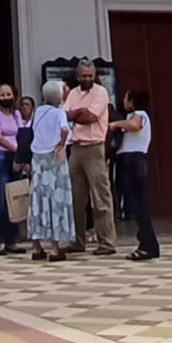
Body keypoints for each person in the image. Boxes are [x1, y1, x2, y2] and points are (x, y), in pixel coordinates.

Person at [63, 59, 117, 256]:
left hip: (94, 147)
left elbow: (91, 117)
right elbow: (65, 115)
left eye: (90, 76)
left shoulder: (100, 92)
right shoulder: (74, 93)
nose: (87, 79)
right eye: (84, 76)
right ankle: (77, 241)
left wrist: (75, 114)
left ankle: (107, 242)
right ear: (78, 76)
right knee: (75, 198)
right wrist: (78, 113)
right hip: (76, 148)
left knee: (101, 196)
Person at [26, 80, 74, 262]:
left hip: (37, 156)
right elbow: (64, 130)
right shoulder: (58, 112)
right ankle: (55, 248)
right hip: (55, 158)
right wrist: (61, 144)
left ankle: (37, 246)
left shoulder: (38, 111)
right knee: (56, 199)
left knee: (38, 199)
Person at [113, 87, 160, 261]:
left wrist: (116, 124)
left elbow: (134, 125)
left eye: (126, 98)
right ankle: (146, 242)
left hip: (134, 161)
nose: (124, 101)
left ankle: (149, 244)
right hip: (129, 161)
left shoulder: (139, 115)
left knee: (139, 204)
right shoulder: (132, 116)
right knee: (135, 205)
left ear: (132, 101)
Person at [0, 80, 23, 254]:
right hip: (1, 157)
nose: (6, 97)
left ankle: (11, 240)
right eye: (2, 95)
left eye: (9, 94)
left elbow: (22, 134)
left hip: (16, 159)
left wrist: (23, 155)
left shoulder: (17, 115)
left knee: (14, 199)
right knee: (0, 200)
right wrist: (16, 149)